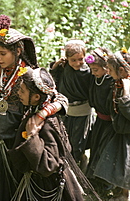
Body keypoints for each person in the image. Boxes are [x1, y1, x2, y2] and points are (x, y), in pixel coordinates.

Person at [0, 15, 67, 201]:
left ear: (17, 51)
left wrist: (41, 115)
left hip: (13, 147)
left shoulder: (29, 76)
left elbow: (61, 99)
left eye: (3, 54)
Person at [7, 66, 87, 201]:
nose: (18, 93)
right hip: (37, 182)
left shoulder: (48, 123)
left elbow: (48, 165)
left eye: (22, 90)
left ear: (36, 96)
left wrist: (33, 137)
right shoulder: (35, 109)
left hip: (48, 186)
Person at [93, 49, 130, 201]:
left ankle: (124, 194)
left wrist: (127, 94)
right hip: (118, 129)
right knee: (118, 161)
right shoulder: (117, 82)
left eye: (110, 70)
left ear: (121, 70)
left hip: (128, 132)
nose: (107, 72)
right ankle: (116, 190)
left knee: (127, 163)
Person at [50, 40, 93, 171]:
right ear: (66, 59)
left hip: (82, 110)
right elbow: (52, 77)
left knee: (78, 141)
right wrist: (56, 65)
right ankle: (66, 167)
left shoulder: (89, 71)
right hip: (66, 109)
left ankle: (78, 166)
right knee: (64, 138)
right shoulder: (64, 69)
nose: (77, 63)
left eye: (80, 59)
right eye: (73, 60)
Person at [84, 47, 115, 198]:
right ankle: (94, 179)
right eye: (91, 69)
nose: (93, 72)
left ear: (106, 68)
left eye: (96, 69)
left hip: (110, 124)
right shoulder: (95, 78)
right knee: (95, 148)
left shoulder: (110, 82)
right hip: (99, 121)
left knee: (104, 151)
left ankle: (106, 185)